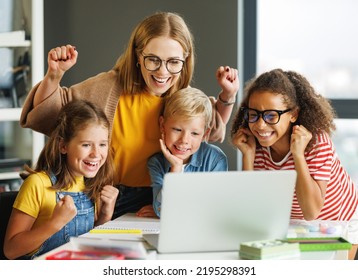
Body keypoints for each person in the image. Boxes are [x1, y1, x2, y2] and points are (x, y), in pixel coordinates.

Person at [20, 12, 239, 219]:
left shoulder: (180, 97)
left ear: (185, 61)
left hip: (158, 195)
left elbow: (211, 128)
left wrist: (228, 95)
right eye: (153, 59)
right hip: (106, 195)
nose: (162, 72)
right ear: (137, 55)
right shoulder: (108, 88)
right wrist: (54, 76)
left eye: (173, 62)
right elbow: (49, 115)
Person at [230, 68, 358, 260]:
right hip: (295, 228)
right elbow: (254, 212)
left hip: (339, 225)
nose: (260, 125)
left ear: (293, 114)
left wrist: (298, 155)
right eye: (253, 114)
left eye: (271, 116)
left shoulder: (316, 142)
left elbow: (311, 211)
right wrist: (248, 156)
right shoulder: (255, 144)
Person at [4, 100, 119, 259]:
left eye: (102, 144)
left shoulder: (91, 184)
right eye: (86, 145)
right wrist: (55, 223)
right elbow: (11, 250)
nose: (96, 154)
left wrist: (105, 216)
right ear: (63, 145)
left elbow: (88, 243)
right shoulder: (38, 184)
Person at [141, 88, 228, 217]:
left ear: (205, 134)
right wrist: (175, 168)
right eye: (177, 129)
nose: (184, 140)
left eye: (194, 133)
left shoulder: (215, 159)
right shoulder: (156, 163)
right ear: (162, 125)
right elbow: (162, 210)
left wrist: (172, 209)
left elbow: (215, 209)